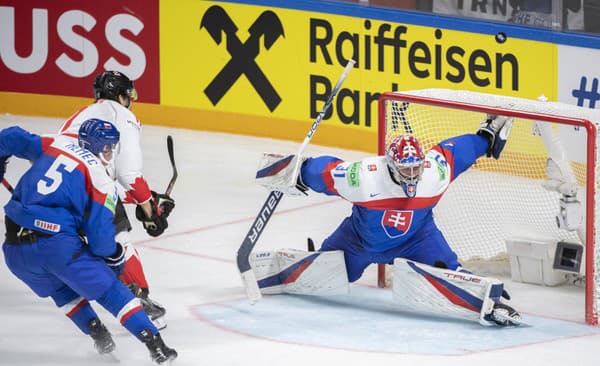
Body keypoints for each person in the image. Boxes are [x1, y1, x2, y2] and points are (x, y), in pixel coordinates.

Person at [256, 114, 520, 326]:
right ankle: (308, 264)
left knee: (448, 270)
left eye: (417, 167)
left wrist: (486, 137)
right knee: (325, 277)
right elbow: (324, 172)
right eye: (406, 169)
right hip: (357, 242)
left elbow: (462, 150)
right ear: (391, 166)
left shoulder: (435, 171)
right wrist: (297, 171)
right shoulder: (362, 177)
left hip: (418, 239)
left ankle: (488, 304)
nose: (413, 174)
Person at [0, 119, 177, 364]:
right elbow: (100, 238)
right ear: (104, 148)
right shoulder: (101, 180)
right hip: (56, 247)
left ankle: (98, 334)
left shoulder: (57, 143)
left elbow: (11, 137)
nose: (111, 152)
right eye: (109, 147)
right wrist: (115, 259)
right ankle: (157, 346)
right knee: (111, 291)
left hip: (13, 249)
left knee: (61, 289)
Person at [58, 70, 174, 329]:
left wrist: (145, 200)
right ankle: (138, 301)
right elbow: (128, 174)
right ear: (122, 95)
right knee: (118, 236)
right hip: (89, 185)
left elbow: (101, 177)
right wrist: (150, 210)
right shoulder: (124, 116)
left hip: (55, 188)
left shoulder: (79, 116)